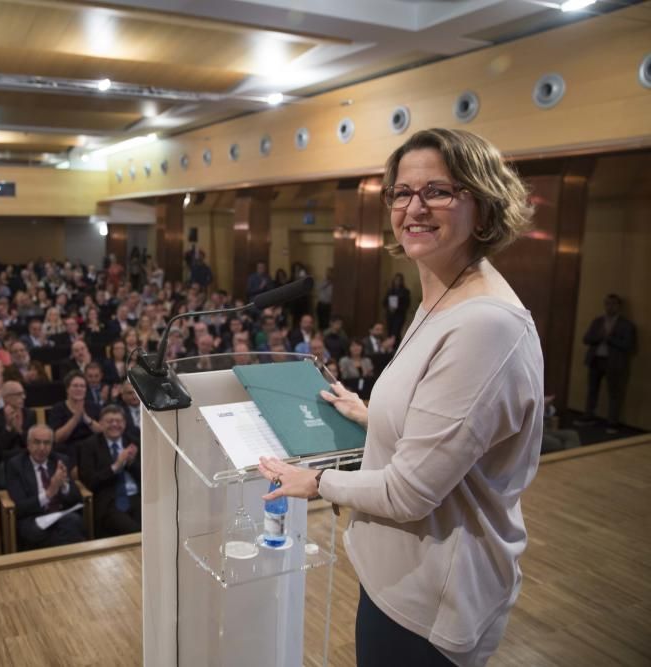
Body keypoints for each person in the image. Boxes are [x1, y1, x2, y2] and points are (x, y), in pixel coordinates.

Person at [258, 128, 544, 667]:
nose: (414, 206)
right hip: (396, 574)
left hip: (431, 601)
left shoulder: (485, 324)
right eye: (401, 192)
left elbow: (412, 493)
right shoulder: (441, 291)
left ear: (482, 207)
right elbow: (446, 433)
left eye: (438, 191)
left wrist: (315, 483)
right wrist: (371, 415)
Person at [5, 424, 85, 550]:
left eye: (47, 443)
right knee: (67, 532)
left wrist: (64, 485)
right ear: (28, 444)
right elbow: (20, 507)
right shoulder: (16, 465)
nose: (42, 448)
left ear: (52, 445)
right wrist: (49, 493)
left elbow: (77, 498)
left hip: (60, 515)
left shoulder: (60, 460)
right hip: (33, 518)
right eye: (37, 442)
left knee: (73, 521)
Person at [77, 405, 140, 537]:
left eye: (118, 421)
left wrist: (131, 463)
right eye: (109, 421)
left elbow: (147, 477)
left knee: (154, 525)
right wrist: (115, 466)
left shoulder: (134, 442)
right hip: (109, 501)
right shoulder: (89, 446)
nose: (114, 425)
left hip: (137, 497)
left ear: (125, 423)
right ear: (100, 423)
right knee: (135, 532)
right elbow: (90, 481)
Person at [579, 293, 636, 432]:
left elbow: (628, 345)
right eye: (607, 303)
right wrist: (600, 336)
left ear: (619, 306)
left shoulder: (626, 324)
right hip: (595, 360)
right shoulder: (598, 321)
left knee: (614, 393)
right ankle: (588, 417)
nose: (610, 307)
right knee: (592, 390)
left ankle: (612, 423)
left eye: (613, 304)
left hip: (614, 363)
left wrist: (610, 339)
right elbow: (586, 339)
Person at [47, 371, 102, 466]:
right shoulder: (58, 408)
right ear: (67, 389)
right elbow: (57, 438)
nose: (79, 389)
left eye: (82, 386)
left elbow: (103, 432)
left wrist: (86, 418)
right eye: (75, 386)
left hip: (92, 448)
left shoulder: (94, 407)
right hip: (68, 449)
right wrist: (75, 418)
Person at [0, 381, 36, 463]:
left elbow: (33, 443)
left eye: (23, 393)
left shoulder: (29, 414)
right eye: (18, 394)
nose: (23, 397)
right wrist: (8, 427)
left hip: (29, 458)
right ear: (5, 398)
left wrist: (19, 431)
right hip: (6, 462)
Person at [384, 273, 412, 340]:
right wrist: (389, 307)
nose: (397, 281)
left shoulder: (405, 291)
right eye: (396, 280)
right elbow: (384, 302)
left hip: (399, 315)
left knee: (396, 333)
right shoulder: (390, 291)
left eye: (399, 280)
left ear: (402, 281)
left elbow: (407, 305)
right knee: (389, 332)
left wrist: (397, 308)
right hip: (390, 315)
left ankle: (396, 348)